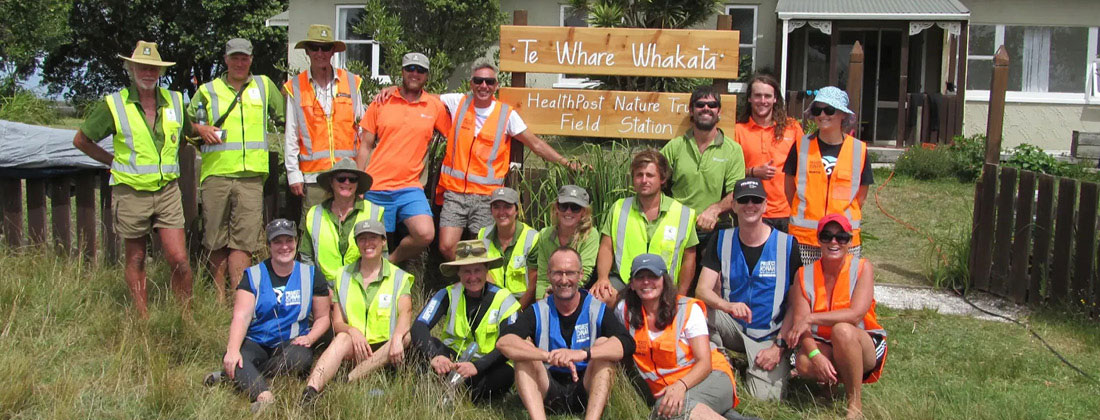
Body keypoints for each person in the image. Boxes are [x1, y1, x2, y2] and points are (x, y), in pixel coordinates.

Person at [71, 41, 192, 317]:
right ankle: (142, 318)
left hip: (167, 191)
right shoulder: (114, 105)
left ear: (160, 71)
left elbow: (184, 139)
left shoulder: (175, 101)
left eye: (153, 68)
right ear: (131, 68)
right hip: (131, 192)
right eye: (142, 67)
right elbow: (82, 140)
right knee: (136, 258)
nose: (147, 72)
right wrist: (112, 162)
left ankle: (185, 318)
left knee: (180, 260)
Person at [435, 58, 579, 260]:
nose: (483, 86)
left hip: (487, 197)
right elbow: (425, 99)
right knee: (446, 246)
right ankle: (468, 278)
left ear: (496, 85)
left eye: (489, 82)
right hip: (455, 193)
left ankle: (477, 284)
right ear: (471, 83)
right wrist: (394, 92)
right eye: (478, 81)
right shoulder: (457, 102)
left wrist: (566, 163)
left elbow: (535, 144)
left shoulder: (506, 114)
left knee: (480, 250)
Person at [189, 38, 285, 303]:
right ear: (226, 59)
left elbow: (286, 116)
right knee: (215, 239)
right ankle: (219, 299)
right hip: (216, 174)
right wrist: (200, 129)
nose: (240, 63)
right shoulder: (208, 91)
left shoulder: (264, 86)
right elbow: (185, 123)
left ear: (251, 59)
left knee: (244, 240)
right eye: (235, 58)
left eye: (245, 58)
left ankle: (237, 297)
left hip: (251, 177)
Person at [204, 218, 330, 413]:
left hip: (291, 343)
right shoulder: (253, 275)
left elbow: (323, 318)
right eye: (277, 242)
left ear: (296, 242)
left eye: (289, 240)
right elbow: (241, 316)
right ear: (269, 245)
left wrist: (310, 337)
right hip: (257, 341)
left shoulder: (311, 274)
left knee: (301, 359)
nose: (284, 247)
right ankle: (264, 396)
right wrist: (232, 349)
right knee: (236, 356)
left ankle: (239, 376)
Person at [497, 246, 635, 420]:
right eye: (557, 273)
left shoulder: (597, 309)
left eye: (570, 273)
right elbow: (504, 342)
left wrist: (582, 354)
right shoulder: (537, 311)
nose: (564, 280)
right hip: (548, 388)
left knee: (603, 346)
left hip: (586, 387)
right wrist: (546, 356)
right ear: (548, 275)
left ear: (581, 275)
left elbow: (627, 343)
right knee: (524, 352)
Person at [694, 178, 802, 400]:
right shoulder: (721, 239)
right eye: (743, 200)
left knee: (763, 399)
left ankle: (777, 364)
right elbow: (702, 290)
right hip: (733, 326)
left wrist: (778, 347)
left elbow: (796, 304)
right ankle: (721, 360)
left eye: (756, 200)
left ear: (765, 205)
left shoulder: (788, 245)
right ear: (733, 206)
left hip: (769, 335)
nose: (750, 205)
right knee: (696, 311)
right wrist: (727, 305)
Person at [615, 254, 754, 420]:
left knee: (666, 410)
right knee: (675, 408)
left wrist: (680, 386)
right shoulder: (624, 310)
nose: (646, 282)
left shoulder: (687, 309)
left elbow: (705, 363)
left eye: (653, 276)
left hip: (709, 377)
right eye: (640, 277)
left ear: (664, 280)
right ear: (631, 284)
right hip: (667, 389)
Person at [784, 214, 887, 420]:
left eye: (841, 237)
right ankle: (829, 384)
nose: (834, 242)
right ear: (818, 239)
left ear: (849, 242)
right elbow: (801, 325)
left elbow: (855, 313)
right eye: (827, 236)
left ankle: (855, 403)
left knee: (842, 330)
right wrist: (816, 357)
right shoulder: (803, 274)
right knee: (804, 363)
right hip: (824, 342)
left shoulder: (862, 268)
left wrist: (812, 318)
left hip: (862, 340)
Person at [301, 219, 414, 402]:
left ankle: (349, 379)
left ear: (383, 241)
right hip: (356, 346)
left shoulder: (399, 277)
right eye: (362, 239)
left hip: (386, 349)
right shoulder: (342, 275)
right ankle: (310, 391)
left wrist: (396, 338)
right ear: (356, 243)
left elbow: (406, 314)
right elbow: (337, 322)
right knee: (342, 338)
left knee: (405, 336)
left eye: (373, 238)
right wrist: (352, 331)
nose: (367, 244)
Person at [356, 52, 449, 263]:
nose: (414, 74)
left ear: (427, 76)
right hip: (375, 186)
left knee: (425, 233)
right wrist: (358, 185)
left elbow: (454, 133)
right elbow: (364, 147)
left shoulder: (434, 106)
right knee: (369, 240)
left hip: (409, 188)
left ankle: (389, 264)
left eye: (420, 70)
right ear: (402, 72)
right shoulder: (381, 102)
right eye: (410, 69)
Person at [411, 239, 522, 402]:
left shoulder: (505, 300)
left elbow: (510, 345)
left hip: (487, 364)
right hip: (451, 361)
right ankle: (444, 387)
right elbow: (419, 326)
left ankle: (457, 392)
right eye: (466, 271)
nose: (472, 277)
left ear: (486, 270)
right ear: (458, 273)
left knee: (506, 373)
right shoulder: (447, 293)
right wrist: (435, 356)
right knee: (427, 344)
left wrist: (477, 367)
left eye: (477, 270)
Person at [592, 150, 698, 304]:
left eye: (650, 175)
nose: (644, 180)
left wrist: (680, 294)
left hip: (663, 284)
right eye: (639, 175)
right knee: (598, 298)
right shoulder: (619, 208)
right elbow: (606, 247)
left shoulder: (683, 213)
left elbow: (689, 259)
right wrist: (602, 279)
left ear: (662, 178)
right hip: (624, 281)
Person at [784, 86, 873, 266]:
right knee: (803, 290)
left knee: (842, 291)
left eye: (829, 109)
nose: (822, 115)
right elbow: (789, 190)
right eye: (817, 110)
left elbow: (860, 197)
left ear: (842, 114)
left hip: (843, 239)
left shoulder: (859, 150)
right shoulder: (801, 146)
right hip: (805, 240)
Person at [285, 24, 365, 212]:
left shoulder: (352, 82)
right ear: (307, 51)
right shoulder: (295, 86)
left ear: (332, 52)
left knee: (348, 229)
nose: (319, 52)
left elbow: (363, 131)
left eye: (325, 47)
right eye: (314, 47)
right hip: (313, 179)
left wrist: (362, 173)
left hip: (348, 177)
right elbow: (291, 135)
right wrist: (293, 174)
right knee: (314, 231)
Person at [661, 85, 745, 243]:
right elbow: (654, 181)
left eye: (712, 105)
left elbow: (737, 191)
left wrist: (715, 209)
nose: (706, 108)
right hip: (677, 227)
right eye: (700, 104)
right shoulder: (675, 146)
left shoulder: (733, 150)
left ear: (718, 111)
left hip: (716, 229)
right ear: (691, 110)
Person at [735, 73, 803, 232]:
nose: (763, 101)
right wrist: (753, 172)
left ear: (775, 99)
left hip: (787, 212)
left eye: (767, 96)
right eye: (757, 96)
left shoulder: (792, 128)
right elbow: (728, 172)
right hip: (751, 210)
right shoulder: (738, 130)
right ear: (750, 99)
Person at [299, 159, 384, 283]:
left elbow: (382, 255)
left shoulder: (374, 212)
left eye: (352, 179)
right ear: (331, 182)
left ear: (357, 184)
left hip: (362, 286)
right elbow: (307, 257)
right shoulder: (314, 213)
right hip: (324, 288)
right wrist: (319, 288)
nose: (347, 182)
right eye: (341, 178)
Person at [527, 185, 600, 300]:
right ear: (556, 207)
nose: (568, 212)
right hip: (550, 291)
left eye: (575, 207)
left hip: (578, 291)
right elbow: (542, 278)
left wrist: (557, 291)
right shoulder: (544, 235)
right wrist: (542, 303)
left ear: (584, 211)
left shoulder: (590, 235)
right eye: (563, 206)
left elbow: (583, 276)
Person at [476, 187, 539, 306]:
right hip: (492, 300)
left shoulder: (532, 238)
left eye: (507, 207)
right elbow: (481, 271)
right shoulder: (482, 235)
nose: (501, 212)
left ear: (516, 210)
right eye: (496, 207)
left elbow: (533, 286)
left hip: (522, 304)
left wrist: (516, 312)